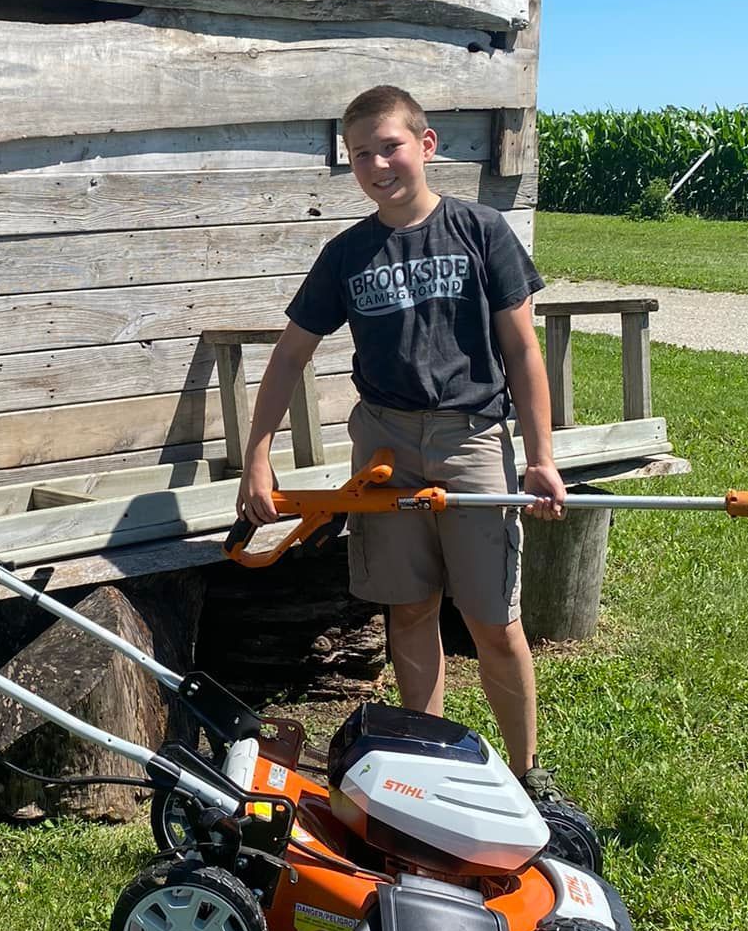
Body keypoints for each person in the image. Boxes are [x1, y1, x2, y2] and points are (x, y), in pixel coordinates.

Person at [237, 84, 569, 800]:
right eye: (361, 154)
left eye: (389, 146)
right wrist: (257, 456)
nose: (377, 164)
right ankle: (430, 763)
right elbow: (291, 353)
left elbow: (523, 353)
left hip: (471, 439)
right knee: (409, 608)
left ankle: (527, 773)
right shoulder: (348, 253)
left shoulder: (482, 233)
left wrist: (541, 458)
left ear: (426, 145)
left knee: (492, 617)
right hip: (384, 447)